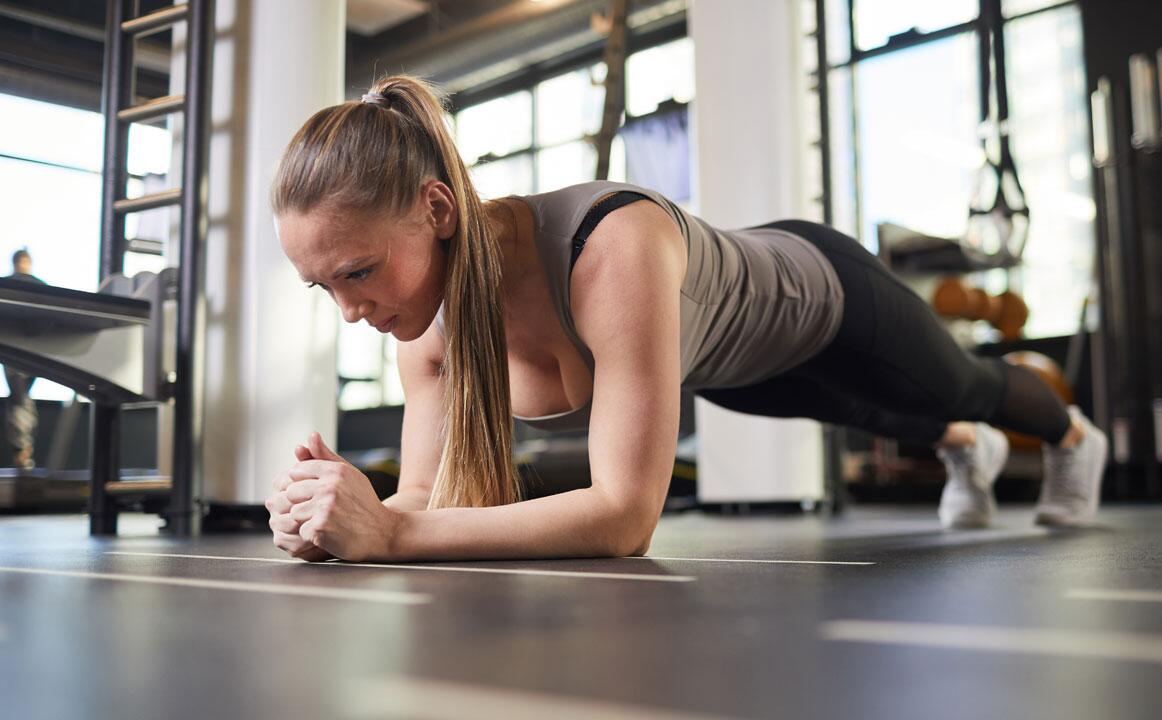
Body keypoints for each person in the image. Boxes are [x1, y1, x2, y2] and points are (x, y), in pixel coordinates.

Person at [265, 76, 1107, 563]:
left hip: (822, 297)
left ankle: (1072, 439)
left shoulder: (609, 248)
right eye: (323, 288)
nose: (350, 311)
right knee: (870, 412)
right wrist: (342, 520)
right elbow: (420, 499)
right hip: (732, 368)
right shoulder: (431, 335)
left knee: (960, 384)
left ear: (439, 209)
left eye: (359, 272)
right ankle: (968, 448)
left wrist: (393, 534)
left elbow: (625, 518)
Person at [3, 248, 45, 470]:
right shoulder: (6, 284)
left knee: (22, 400)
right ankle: (21, 450)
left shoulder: (40, 285)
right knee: (19, 400)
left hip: (32, 350)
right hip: (12, 351)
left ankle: (23, 449)